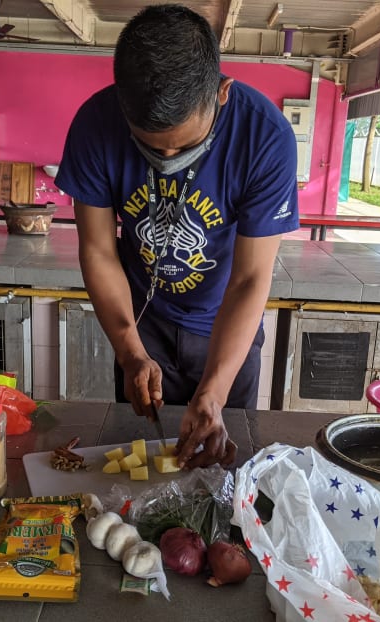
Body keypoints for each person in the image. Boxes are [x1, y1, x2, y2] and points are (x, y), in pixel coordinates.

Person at [54, 4, 298, 469]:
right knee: (139, 465)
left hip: (226, 326)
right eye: (149, 146)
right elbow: (99, 250)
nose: (166, 160)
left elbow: (251, 278)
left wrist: (215, 391)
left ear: (221, 93)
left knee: (223, 467)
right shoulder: (95, 123)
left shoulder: (264, 136)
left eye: (185, 146)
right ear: (121, 103)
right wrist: (130, 353)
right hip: (140, 322)